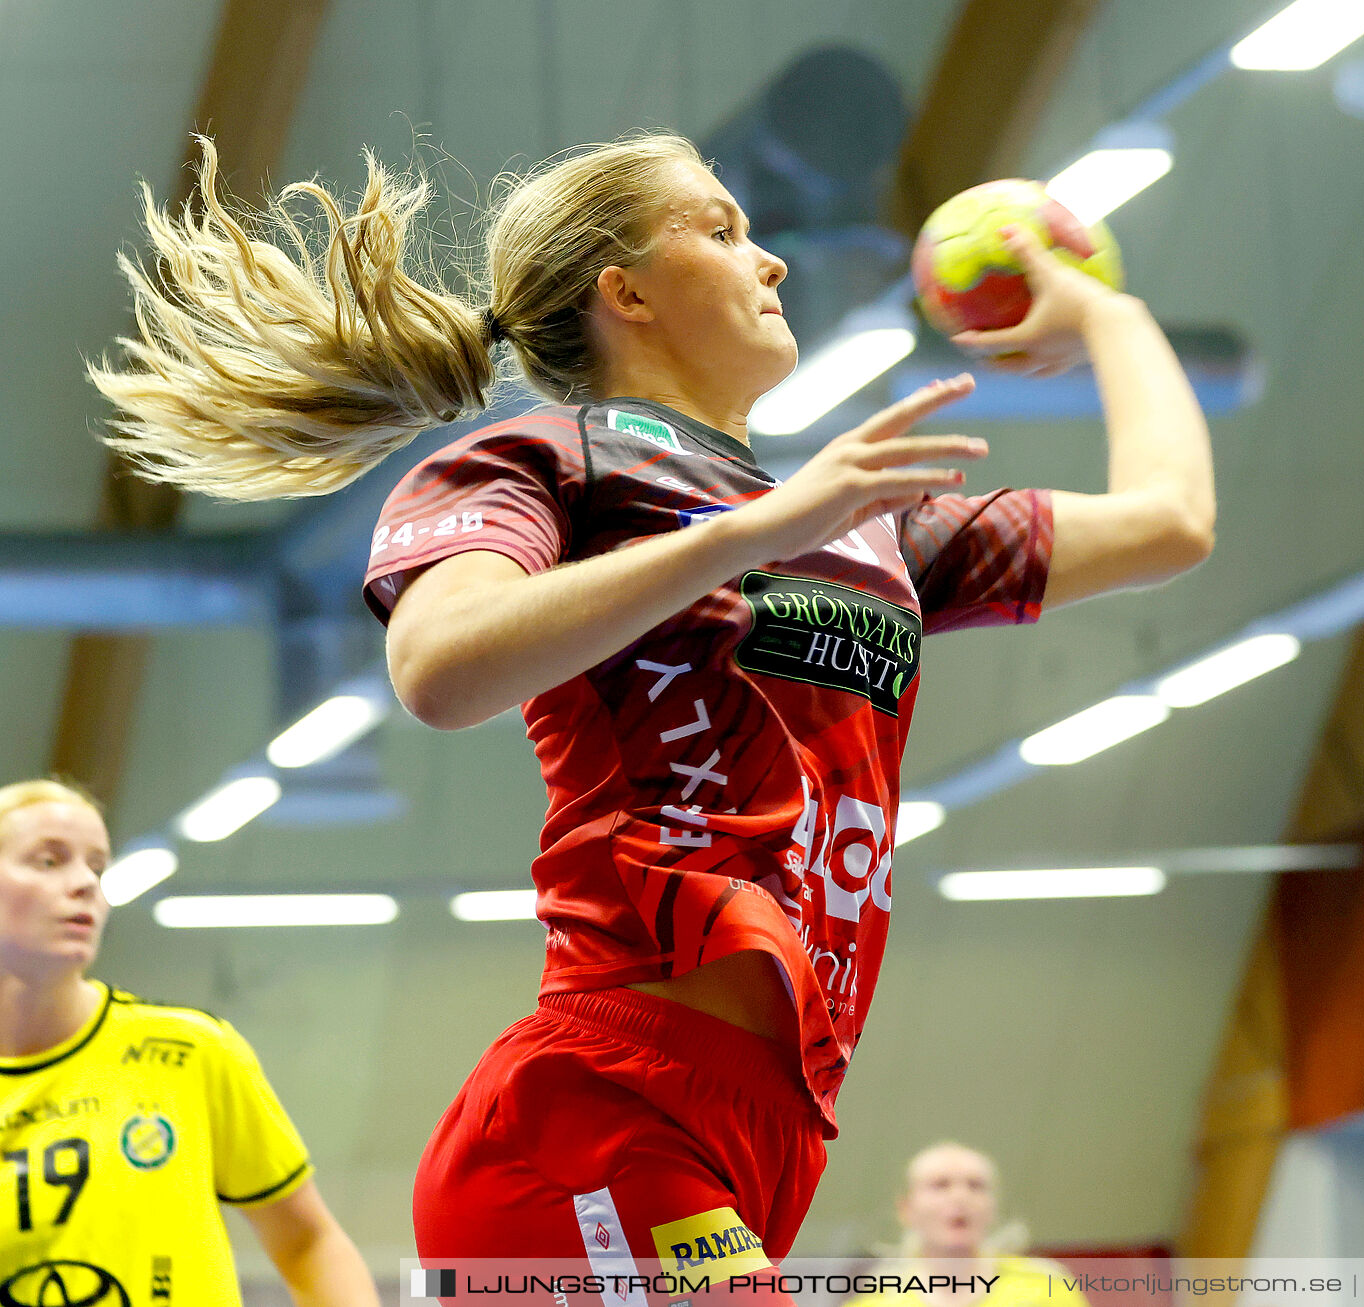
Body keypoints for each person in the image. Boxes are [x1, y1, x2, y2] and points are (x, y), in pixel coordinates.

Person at [89, 131, 1214, 1270]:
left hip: (773, 1124)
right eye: (721, 232)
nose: (769, 261)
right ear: (623, 292)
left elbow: (1169, 520)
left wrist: (1105, 320)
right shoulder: (544, 459)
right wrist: (751, 533)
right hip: (598, 1109)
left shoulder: (858, 519)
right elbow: (437, 666)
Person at [0, 778, 378, 1306]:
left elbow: (308, 1241)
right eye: (48, 861)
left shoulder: (191, 1051)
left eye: (97, 867)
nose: (84, 883)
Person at [847, 1141, 1087, 1307]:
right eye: (940, 1185)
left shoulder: (1045, 1287)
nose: (960, 1197)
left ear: (993, 1207)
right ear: (906, 1209)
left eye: (976, 1186)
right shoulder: (876, 1301)